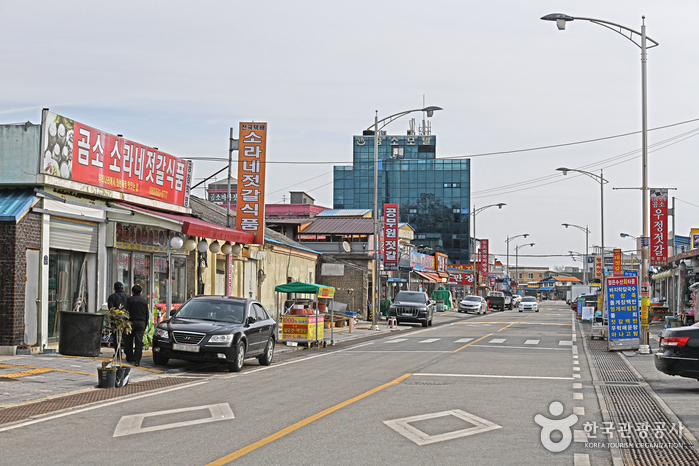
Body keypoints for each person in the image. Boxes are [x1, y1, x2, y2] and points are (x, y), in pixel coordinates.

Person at [124, 285, 149, 366]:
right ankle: (137, 360)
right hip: (141, 323)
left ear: (132, 292)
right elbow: (147, 314)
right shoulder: (144, 301)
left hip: (131, 323)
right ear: (141, 292)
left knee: (129, 340)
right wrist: (145, 325)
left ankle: (129, 357)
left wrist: (125, 323)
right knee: (139, 342)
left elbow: (126, 313)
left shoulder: (129, 300)